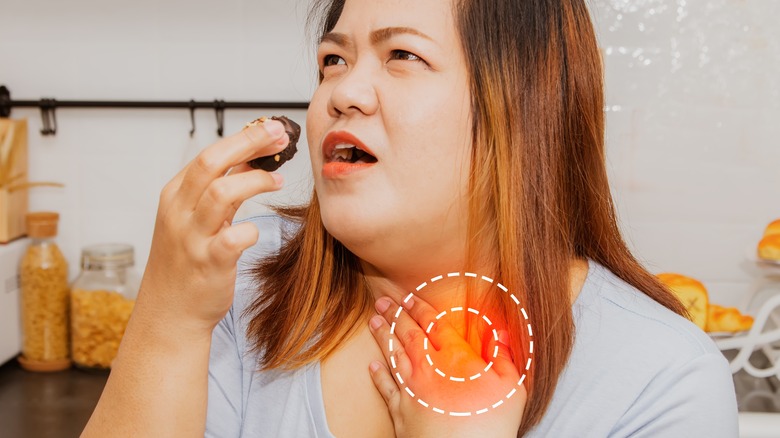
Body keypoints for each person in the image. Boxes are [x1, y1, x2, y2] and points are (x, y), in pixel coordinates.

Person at [82, 0, 739, 436]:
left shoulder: (662, 380)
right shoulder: (243, 274)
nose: (341, 92)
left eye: (401, 57)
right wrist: (168, 318)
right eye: (332, 61)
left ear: (521, 107)